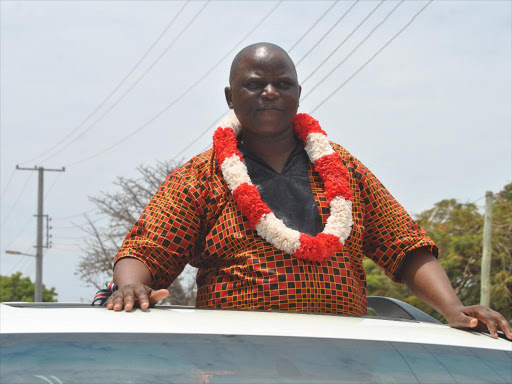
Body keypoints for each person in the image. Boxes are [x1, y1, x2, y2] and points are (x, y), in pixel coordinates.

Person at [106, 42, 511, 339]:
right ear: (230, 97)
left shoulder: (344, 167)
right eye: (253, 84)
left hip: (343, 355)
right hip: (234, 357)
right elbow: (146, 251)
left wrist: (454, 308)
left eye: (282, 83)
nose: (269, 92)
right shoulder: (200, 175)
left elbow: (404, 246)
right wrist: (129, 285)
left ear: (297, 95)